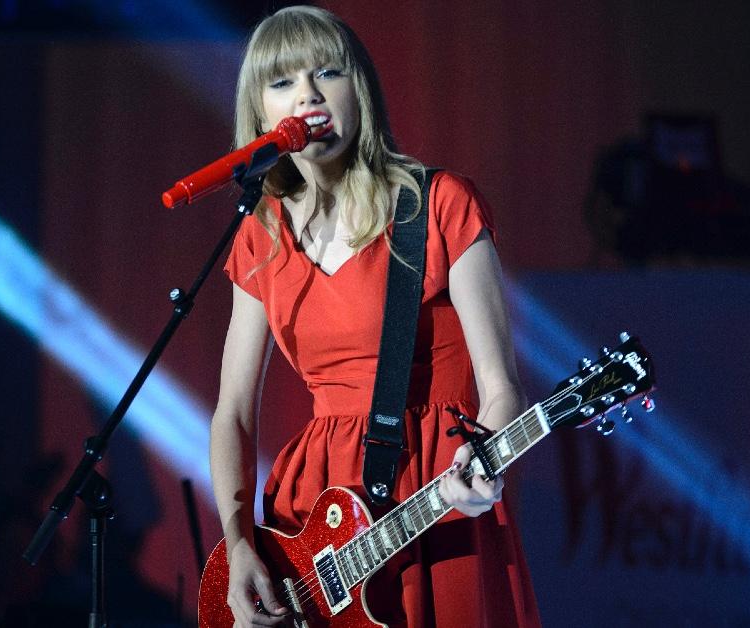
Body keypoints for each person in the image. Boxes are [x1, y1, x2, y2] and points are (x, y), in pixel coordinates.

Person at [209, 6, 541, 627]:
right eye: (282, 83)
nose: (307, 95)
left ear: (357, 89)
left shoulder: (439, 204)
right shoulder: (259, 236)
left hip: (436, 491)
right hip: (312, 516)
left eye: (327, 73)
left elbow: (503, 392)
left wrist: (483, 463)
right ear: (259, 114)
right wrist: (238, 543)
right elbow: (232, 412)